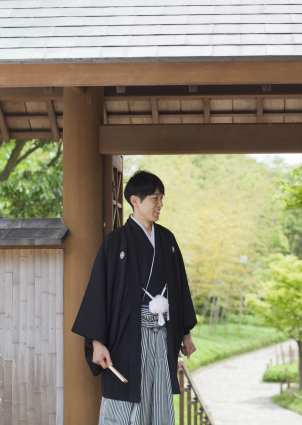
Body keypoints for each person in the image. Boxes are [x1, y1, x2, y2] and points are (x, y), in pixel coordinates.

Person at [72, 170, 197, 425]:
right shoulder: (115, 242)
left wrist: (185, 333)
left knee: (159, 397)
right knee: (125, 394)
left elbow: (179, 287)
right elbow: (99, 292)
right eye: (155, 198)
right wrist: (97, 342)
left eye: (161, 198)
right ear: (135, 201)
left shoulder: (167, 240)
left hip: (162, 335)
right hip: (126, 337)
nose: (160, 204)